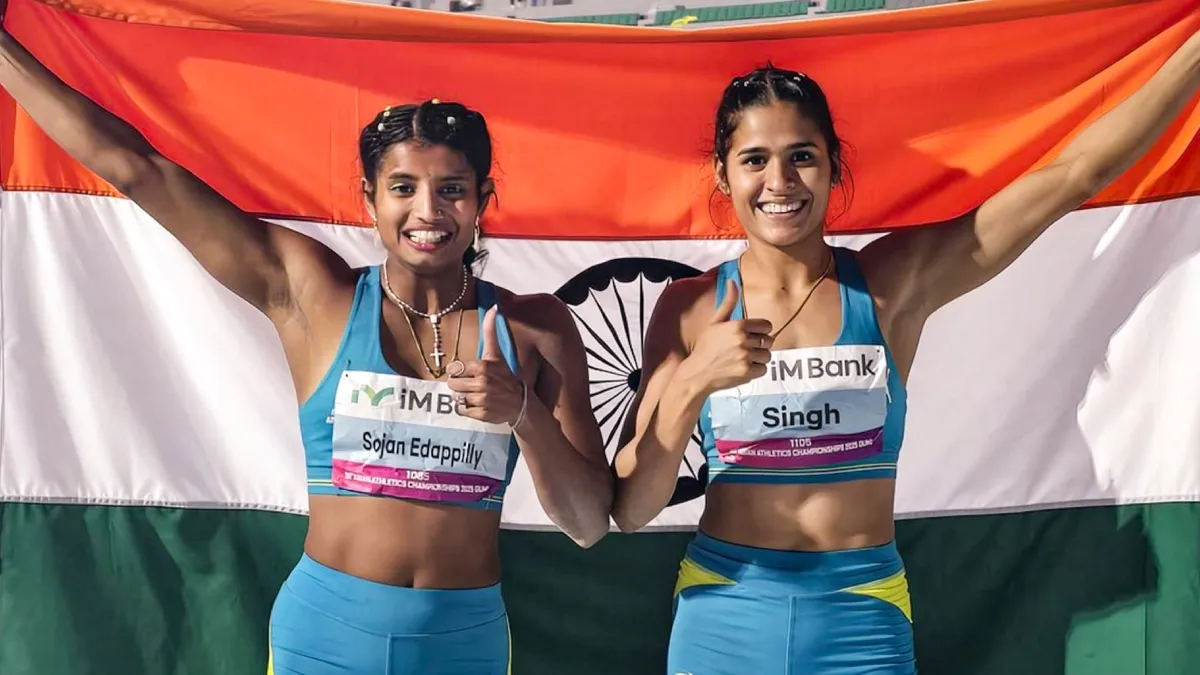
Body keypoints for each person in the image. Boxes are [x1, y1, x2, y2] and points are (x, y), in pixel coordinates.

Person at [0, 6, 613, 674]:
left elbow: (586, 522)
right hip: (326, 636)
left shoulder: (536, 327)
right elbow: (138, 168)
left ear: (482, 198)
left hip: (462, 643)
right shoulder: (315, 296)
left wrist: (523, 412)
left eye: (452, 190)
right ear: (369, 198)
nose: (428, 212)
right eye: (403, 188)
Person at [612, 29, 1200, 675]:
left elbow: (1071, 177)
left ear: (834, 164)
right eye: (753, 159)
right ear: (722, 174)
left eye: (800, 155)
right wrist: (694, 379)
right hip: (724, 611)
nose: (778, 180)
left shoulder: (891, 283)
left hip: (860, 619)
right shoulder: (690, 309)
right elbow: (633, 507)